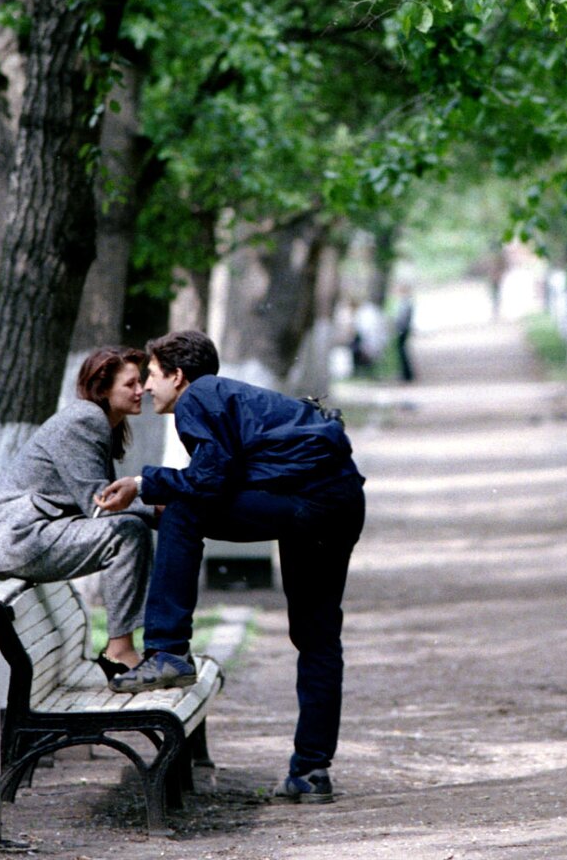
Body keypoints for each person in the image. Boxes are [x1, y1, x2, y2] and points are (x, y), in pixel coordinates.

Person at [95, 329, 365, 805]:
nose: (148, 389)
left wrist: (142, 482)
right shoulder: (231, 398)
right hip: (340, 502)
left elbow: (209, 481)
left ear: (177, 376)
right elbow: (229, 477)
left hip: (306, 505)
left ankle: (168, 650)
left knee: (181, 508)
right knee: (318, 637)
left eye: (153, 376)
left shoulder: (198, 396)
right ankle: (311, 770)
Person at [0, 345, 156, 675]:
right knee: (129, 533)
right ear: (103, 389)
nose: (141, 389)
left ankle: (125, 647)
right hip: (21, 538)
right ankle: (119, 651)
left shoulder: (102, 422)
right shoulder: (86, 419)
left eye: (141, 381)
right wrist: (162, 511)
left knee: (132, 527)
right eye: (130, 384)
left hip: (32, 534)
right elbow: (101, 506)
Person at [392, 283, 415, 382]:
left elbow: (402, 318)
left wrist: (396, 326)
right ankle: (406, 373)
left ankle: (407, 374)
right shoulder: (405, 302)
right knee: (402, 351)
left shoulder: (405, 303)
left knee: (402, 351)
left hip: (403, 329)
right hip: (403, 328)